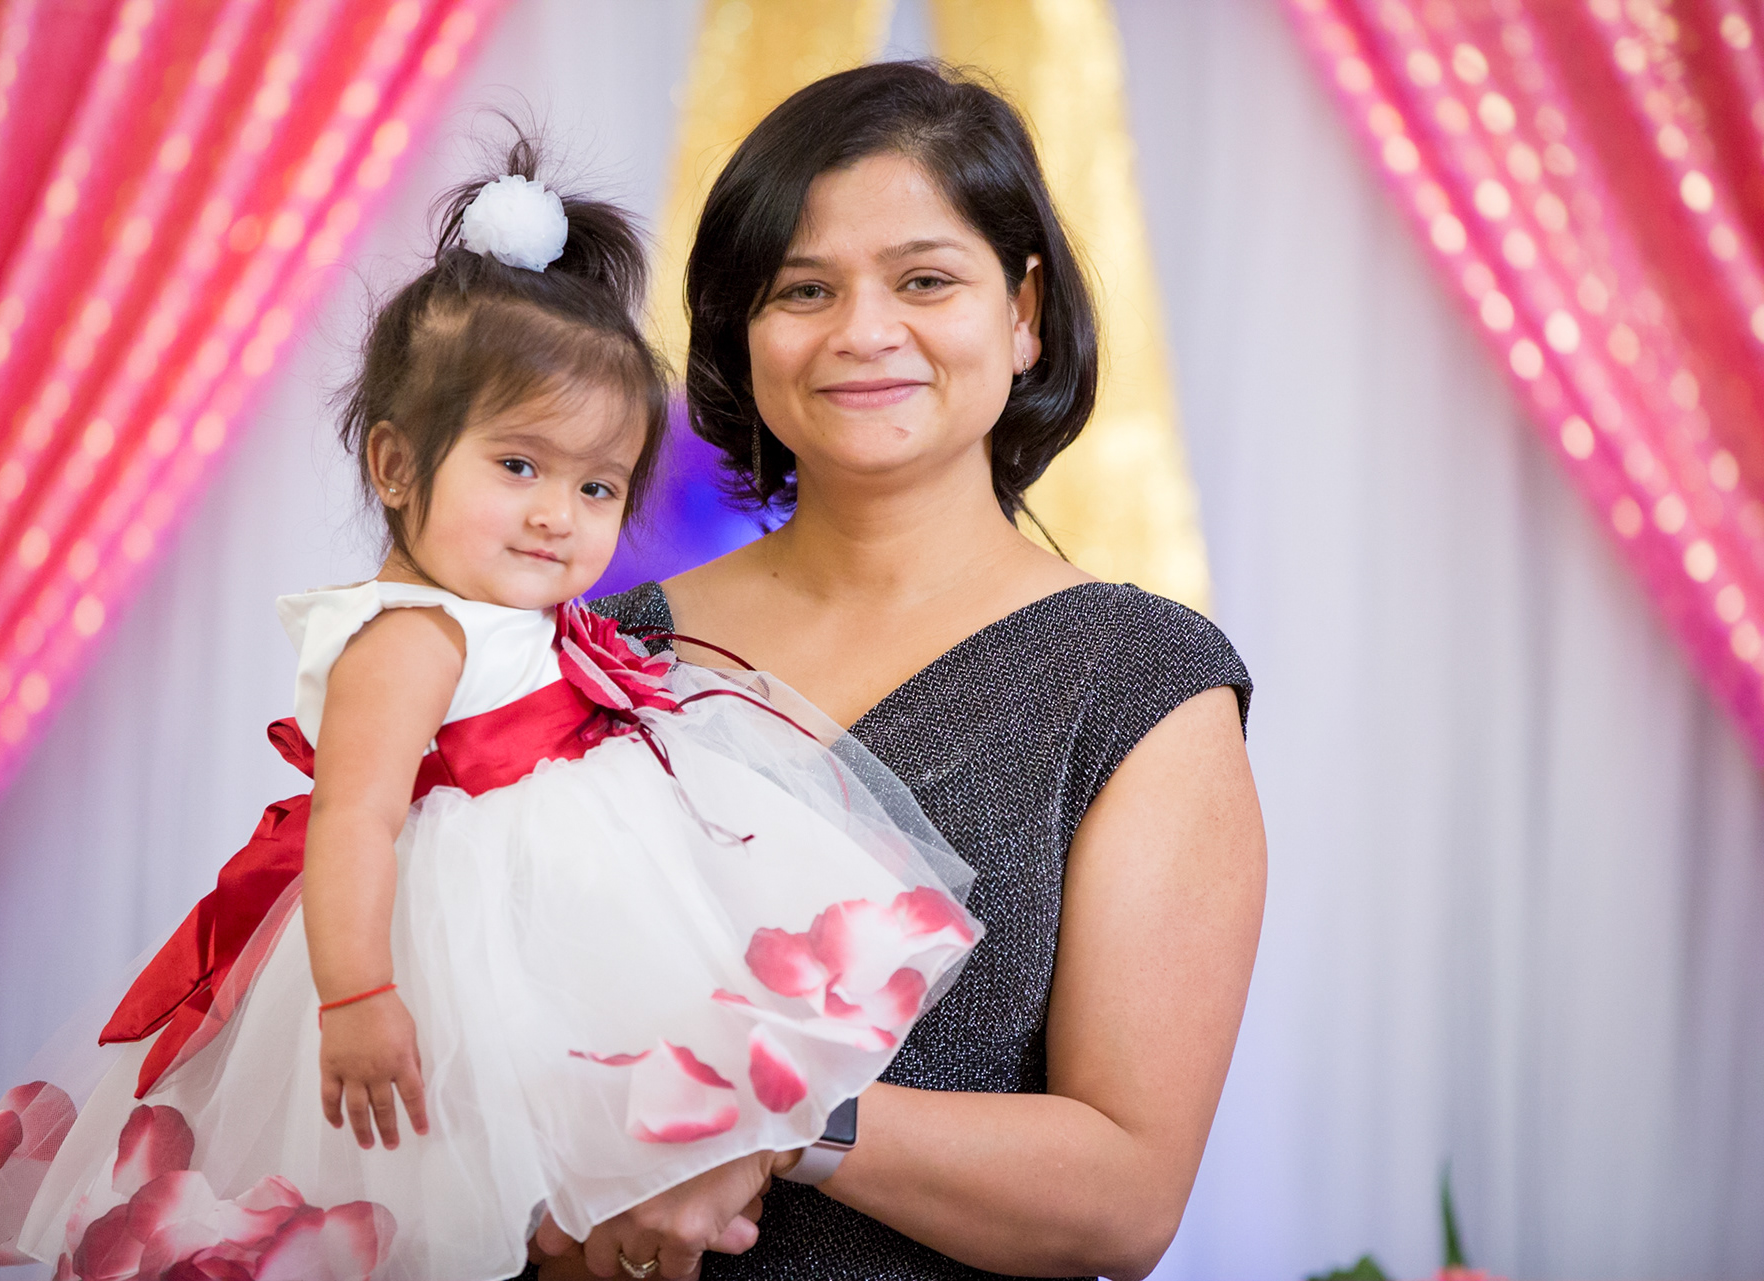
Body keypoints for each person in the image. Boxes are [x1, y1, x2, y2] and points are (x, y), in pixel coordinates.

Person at [0, 140, 981, 1281]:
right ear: (395, 464)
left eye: (596, 486)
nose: (557, 515)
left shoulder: (500, 613)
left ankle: (682, 1195)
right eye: (519, 466)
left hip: (560, 884)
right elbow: (352, 819)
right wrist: (359, 996)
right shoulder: (412, 634)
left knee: (657, 1078)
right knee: (484, 1152)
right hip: (457, 924)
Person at [535, 61, 1267, 1281]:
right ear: (742, 333)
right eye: (803, 289)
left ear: (1024, 312)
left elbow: (1127, 1198)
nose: (863, 332)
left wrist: (777, 1114)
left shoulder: (1138, 684)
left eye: (925, 280)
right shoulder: (601, 653)